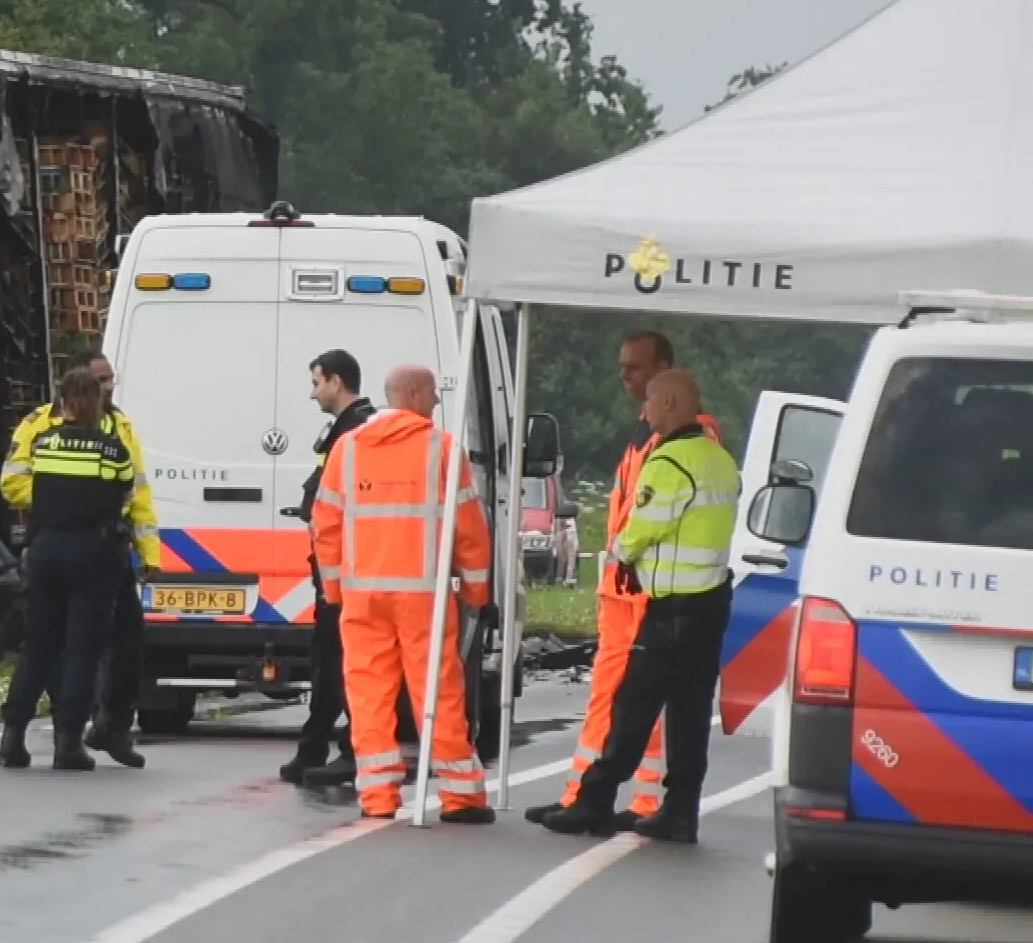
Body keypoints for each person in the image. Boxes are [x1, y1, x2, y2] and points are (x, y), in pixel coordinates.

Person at [525, 329, 724, 830]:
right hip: (650, 594)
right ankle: (636, 801)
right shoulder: (654, 435)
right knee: (662, 708)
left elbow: (646, 522)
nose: (624, 378)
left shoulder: (676, 443)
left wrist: (620, 554)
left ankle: (595, 799)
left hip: (654, 595)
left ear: (664, 379)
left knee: (629, 704)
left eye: (634, 369)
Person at [312, 366, 495, 823]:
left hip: (362, 595)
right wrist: (476, 590)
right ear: (412, 393)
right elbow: (469, 528)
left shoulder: (347, 449)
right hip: (423, 597)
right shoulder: (443, 449)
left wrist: (335, 590)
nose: (436, 401)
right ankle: (460, 796)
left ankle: (377, 796)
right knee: (438, 693)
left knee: (369, 694)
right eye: (432, 393)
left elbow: (326, 526)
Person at [0, 348, 155, 768]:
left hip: (46, 546)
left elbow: (33, 480)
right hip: (94, 551)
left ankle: (12, 736)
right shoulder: (111, 447)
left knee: (39, 646)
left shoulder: (46, 441)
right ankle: (69, 741)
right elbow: (129, 491)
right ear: (92, 399)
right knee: (84, 650)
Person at [281, 349, 378, 786]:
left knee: (341, 663)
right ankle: (316, 747)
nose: (312, 393)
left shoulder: (355, 431)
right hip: (337, 568)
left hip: (346, 571)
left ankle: (349, 748)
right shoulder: (348, 429)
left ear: (336, 382)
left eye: (316, 382)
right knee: (328, 661)